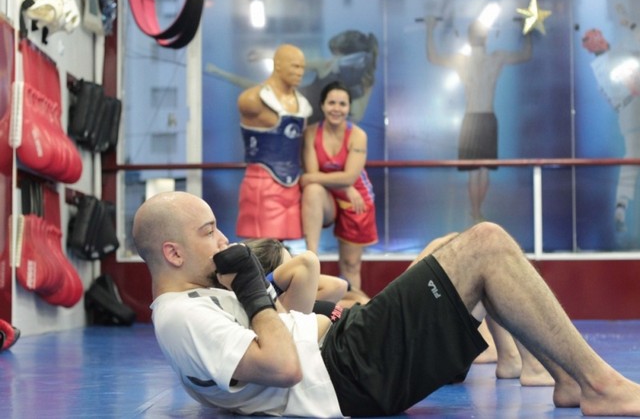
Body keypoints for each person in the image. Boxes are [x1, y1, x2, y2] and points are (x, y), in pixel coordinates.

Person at [132, 190, 640, 417]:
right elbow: (283, 367)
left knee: (455, 249)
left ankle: (570, 380)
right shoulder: (178, 316)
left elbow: (243, 371)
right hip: (350, 368)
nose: (223, 240)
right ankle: (598, 385)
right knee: (485, 243)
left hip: (350, 351)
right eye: (208, 232)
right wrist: (252, 289)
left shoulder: (194, 302)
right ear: (172, 252)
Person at [426, 16, 532, 222]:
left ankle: (477, 212)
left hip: (483, 118)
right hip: (475, 118)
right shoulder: (470, 59)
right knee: (476, 171)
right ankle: (475, 212)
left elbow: (526, 54)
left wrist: (526, 29)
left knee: (482, 171)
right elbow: (433, 58)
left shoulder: (494, 58)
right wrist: (430, 30)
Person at [301, 81, 378, 294]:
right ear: (322, 105)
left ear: (349, 108)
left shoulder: (358, 135)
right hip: (329, 196)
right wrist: (344, 185)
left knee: (350, 265)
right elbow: (311, 181)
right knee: (312, 190)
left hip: (357, 198)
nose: (337, 108)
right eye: (332, 102)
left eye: (342, 104)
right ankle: (311, 259)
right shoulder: (310, 134)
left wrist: (347, 186)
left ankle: (355, 316)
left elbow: (350, 176)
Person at [206, 29, 378, 124]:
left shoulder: (365, 81)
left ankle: (218, 72)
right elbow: (294, 61)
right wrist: (264, 55)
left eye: (338, 55)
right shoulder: (326, 65)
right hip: (301, 109)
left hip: (323, 126)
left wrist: (338, 113)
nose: (334, 59)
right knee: (257, 89)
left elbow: (357, 117)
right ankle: (219, 73)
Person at [235, 44, 312, 240]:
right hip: (262, 179)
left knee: (282, 253)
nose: (300, 72)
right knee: (262, 252)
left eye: (303, 67)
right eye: (295, 66)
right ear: (277, 65)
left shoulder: (302, 104)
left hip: (292, 183)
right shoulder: (252, 99)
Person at [582, 19, 640, 233]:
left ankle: (621, 205)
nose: (600, 38)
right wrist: (630, 25)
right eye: (594, 37)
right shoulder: (606, 63)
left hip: (628, 111)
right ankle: (621, 206)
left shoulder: (611, 57)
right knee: (632, 158)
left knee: (631, 159)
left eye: (599, 34)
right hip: (631, 109)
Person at [245, 237, 367, 309]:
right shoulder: (287, 307)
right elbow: (338, 286)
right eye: (290, 270)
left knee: (360, 301)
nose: (296, 272)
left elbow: (347, 289)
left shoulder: (301, 300)